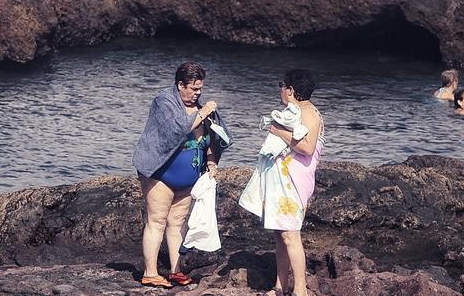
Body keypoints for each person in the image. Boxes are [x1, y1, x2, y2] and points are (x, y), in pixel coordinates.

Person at [132, 62, 230, 288]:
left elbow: (215, 139)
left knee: (177, 224)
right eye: (194, 88)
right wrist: (203, 112)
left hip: (189, 178)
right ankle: (150, 272)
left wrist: (212, 162)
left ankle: (175, 271)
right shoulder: (164, 102)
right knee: (157, 221)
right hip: (160, 173)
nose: (198, 93)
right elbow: (178, 129)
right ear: (180, 85)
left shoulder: (203, 110)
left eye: (200, 89)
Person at [238, 69, 323, 296]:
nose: (280, 89)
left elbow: (307, 148)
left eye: (281, 85)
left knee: (290, 235)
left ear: (291, 90)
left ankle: (300, 290)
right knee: (280, 235)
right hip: (283, 181)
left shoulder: (309, 114)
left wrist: (278, 131)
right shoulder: (295, 111)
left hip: (293, 183)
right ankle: (280, 286)